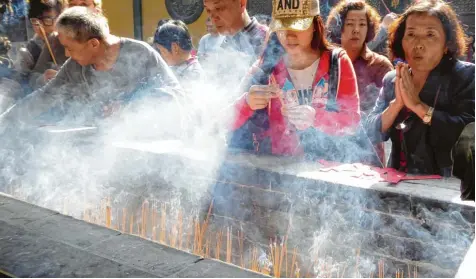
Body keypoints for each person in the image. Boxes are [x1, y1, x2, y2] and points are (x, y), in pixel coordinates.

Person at [0, 6, 181, 127]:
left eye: (70, 48)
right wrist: (4, 123)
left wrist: (130, 105)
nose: (68, 55)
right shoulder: (75, 66)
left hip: (146, 149)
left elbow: (174, 93)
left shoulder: (140, 53)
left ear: (93, 44)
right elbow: (44, 96)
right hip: (100, 151)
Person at [366, 0, 475, 195]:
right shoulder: (393, 79)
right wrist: (396, 104)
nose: (418, 44)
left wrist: (418, 106)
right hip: (399, 188)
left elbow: (467, 137)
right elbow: (370, 132)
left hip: (449, 191)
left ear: (446, 45)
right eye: (411, 35)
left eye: (430, 35)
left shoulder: (466, 76)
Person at [230, 0, 360, 161]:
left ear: (314, 24)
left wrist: (316, 117)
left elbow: (352, 123)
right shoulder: (266, 66)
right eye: (282, 27)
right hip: (278, 170)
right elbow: (225, 122)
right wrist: (247, 102)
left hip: (326, 170)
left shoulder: (337, 62)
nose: (289, 35)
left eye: (298, 26)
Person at [326, 0, 394, 165]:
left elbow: (390, 113)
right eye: (350, 24)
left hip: (367, 151)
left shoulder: (380, 65)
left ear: (369, 29)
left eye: (362, 24)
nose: (356, 30)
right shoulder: (326, 61)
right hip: (330, 147)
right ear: (339, 27)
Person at [203, 0, 268, 94]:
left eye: (218, 8)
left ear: (241, 3)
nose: (213, 18)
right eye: (208, 10)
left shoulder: (268, 39)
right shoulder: (222, 44)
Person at [21, 0, 68, 90]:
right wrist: (43, 78)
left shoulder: (71, 39)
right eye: (35, 21)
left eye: (47, 20)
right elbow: (31, 79)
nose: (40, 27)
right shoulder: (32, 47)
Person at [154, 20, 204, 87]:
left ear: (175, 48)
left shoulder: (193, 74)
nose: (161, 56)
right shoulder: (178, 65)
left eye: (162, 51)